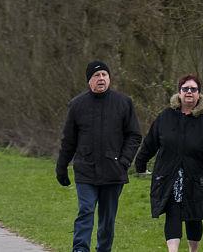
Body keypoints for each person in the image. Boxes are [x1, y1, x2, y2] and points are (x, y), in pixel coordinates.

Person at [133, 73, 203, 252]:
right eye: (185, 89)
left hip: (197, 177)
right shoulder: (166, 116)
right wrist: (141, 163)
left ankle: (193, 249)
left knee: (194, 216)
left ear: (199, 94)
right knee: (173, 213)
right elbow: (151, 141)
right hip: (170, 175)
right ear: (179, 93)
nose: (189, 92)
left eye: (193, 89)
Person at [56, 60, 143, 252]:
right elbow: (68, 140)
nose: (101, 79)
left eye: (104, 75)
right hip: (85, 169)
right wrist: (61, 167)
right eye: (97, 76)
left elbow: (134, 135)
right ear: (89, 81)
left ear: (110, 79)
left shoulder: (124, 103)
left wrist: (125, 161)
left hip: (114, 171)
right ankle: (80, 248)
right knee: (85, 210)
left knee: (107, 218)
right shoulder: (77, 105)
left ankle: (104, 249)